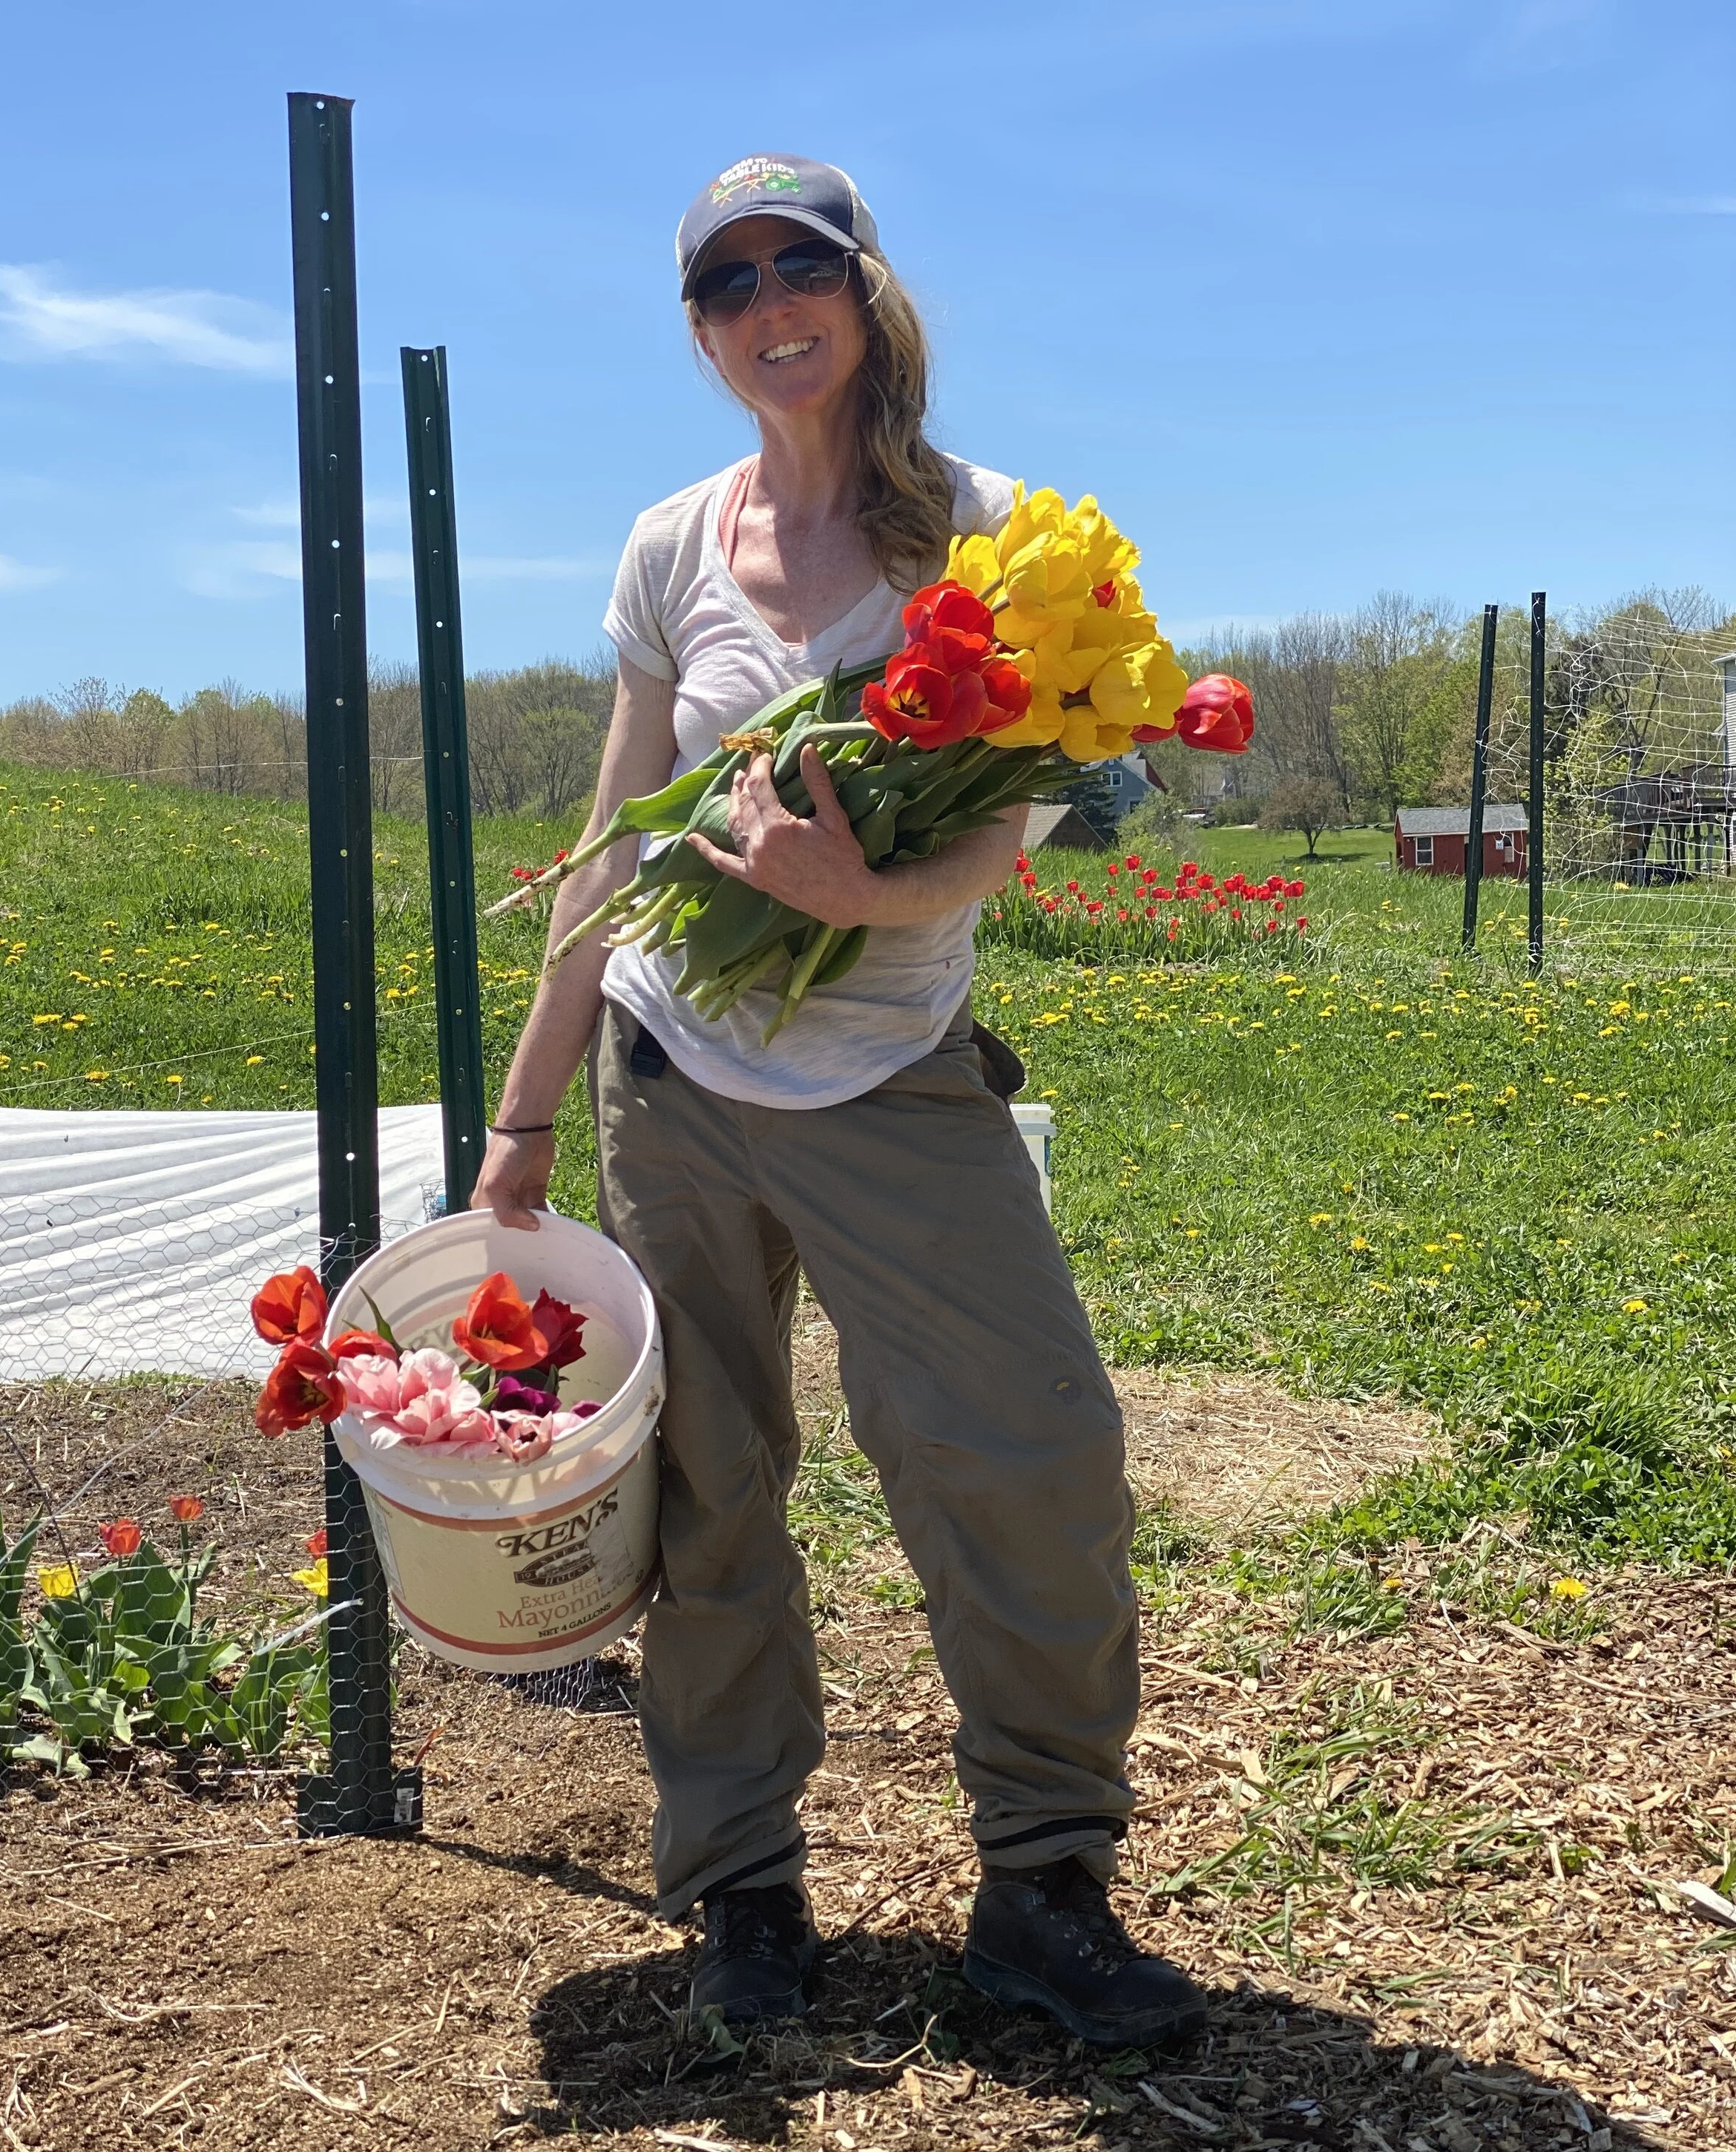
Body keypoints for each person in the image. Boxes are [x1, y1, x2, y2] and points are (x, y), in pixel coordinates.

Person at [474, 154, 1206, 2050]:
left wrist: (855, 898)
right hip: (672, 1083)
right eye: (722, 283)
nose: (764, 304)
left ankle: (1042, 1885)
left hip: (893, 1074)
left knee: (1027, 1460)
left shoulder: (992, 536)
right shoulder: (667, 547)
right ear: (699, 332)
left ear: (866, 292)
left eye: (797, 264)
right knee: (705, 1489)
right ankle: (740, 1888)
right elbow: (611, 845)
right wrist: (522, 1119)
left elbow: (1015, 825)